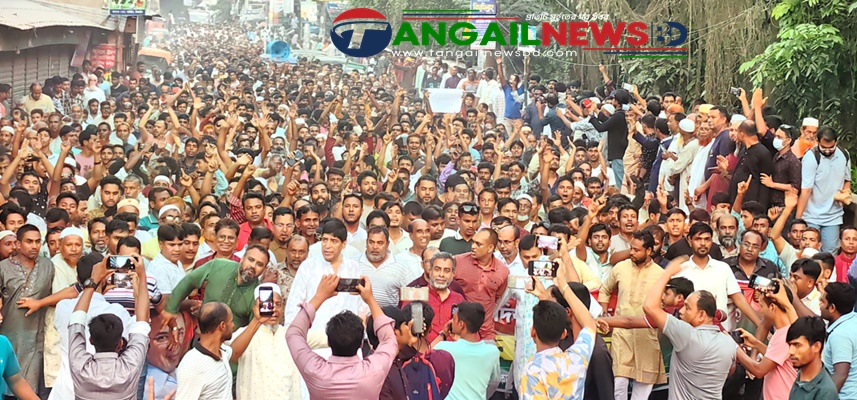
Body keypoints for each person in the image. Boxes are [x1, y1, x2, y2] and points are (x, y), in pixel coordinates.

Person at [286, 274, 397, 398]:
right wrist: (370, 300)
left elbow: (293, 333)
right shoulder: (373, 370)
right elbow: (389, 339)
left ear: (328, 342)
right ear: (361, 343)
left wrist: (319, 297)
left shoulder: (315, 370)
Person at [642, 256, 737, 399]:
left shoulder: (686, 334)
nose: (681, 311)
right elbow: (730, 369)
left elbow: (649, 307)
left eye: (687, 308)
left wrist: (667, 273)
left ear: (701, 315)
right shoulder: (728, 342)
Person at [68, 249, 149, 399]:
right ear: (120, 343)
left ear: (91, 340)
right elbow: (142, 319)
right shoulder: (129, 367)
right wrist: (142, 277)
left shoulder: (80, 367)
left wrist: (93, 281)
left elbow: (76, 321)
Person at [598, 230, 666, 399]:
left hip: (647, 337)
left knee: (642, 392)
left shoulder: (660, 275)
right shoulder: (620, 268)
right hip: (622, 336)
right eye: (631, 248)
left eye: (637, 250)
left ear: (649, 251)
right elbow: (605, 290)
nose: (632, 253)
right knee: (618, 385)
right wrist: (605, 315)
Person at [227, 283, 322, 399]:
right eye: (268, 304)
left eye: (278, 304)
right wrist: (257, 320)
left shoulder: (290, 335)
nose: (273, 309)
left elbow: (326, 338)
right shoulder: (245, 333)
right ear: (255, 308)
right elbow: (231, 354)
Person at [521, 266, 598, 400]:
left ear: (532, 331)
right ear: (563, 334)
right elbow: (589, 324)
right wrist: (562, 285)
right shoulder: (576, 359)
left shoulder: (532, 370)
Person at [162, 244, 269, 330]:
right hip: (202, 331)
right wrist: (170, 309)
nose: (253, 266)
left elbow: (255, 328)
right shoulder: (217, 265)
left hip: (232, 342)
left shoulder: (259, 296)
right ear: (242, 259)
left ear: (264, 270)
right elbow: (188, 282)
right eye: (250, 259)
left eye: (259, 264)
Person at [0, 224, 54, 394]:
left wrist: (40, 302)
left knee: (32, 387)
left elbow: (58, 294)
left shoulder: (47, 265)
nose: (34, 246)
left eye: (38, 242)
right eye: (29, 241)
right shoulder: (3, 267)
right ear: (18, 244)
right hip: (10, 334)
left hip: (37, 336)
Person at [734, 279, 798, 400]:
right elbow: (776, 358)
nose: (760, 310)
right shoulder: (783, 332)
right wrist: (756, 344)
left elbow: (759, 370)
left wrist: (735, 348)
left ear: (772, 307)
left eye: (762, 306)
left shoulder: (784, 335)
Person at [797, 126, 851, 253]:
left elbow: (847, 180)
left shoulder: (844, 155)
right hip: (811, 214)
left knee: (830, 253)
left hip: (834, 215)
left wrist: (845, 195)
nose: (827, 151)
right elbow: (806, 190)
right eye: (824, 148)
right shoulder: (811, 157)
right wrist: (798, 219)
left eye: (831, 148)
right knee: (809, 252)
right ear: (817, 141)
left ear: (836, 142)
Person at [433, 302, 501, 400]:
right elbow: (494, 381)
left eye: (454, 319)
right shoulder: (492, 352)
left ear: (461, 324)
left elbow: (424, 356)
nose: (451, 321)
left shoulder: (444, 348)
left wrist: (443, 334)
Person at [453, 228, 509, 341]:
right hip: (459, 331)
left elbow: (497, 297)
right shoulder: (457, 262)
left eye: (478, 244)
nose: (473, 246)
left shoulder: (502, 271)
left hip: (486, 332)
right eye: (473, 242)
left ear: (490, 248)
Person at [174, 302, 234, 400]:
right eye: (231, 321)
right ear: (222, 325)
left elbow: (236, 349)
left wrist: (257, 321)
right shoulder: (191, 366)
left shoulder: (223, 351)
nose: (233, 325)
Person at [787, 316, 840, 399]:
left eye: (797, 345)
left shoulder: (826, 391)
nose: (791, 351)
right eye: (789, 345)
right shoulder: (801, 376)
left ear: (816, 346)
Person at [820, 282, 857, 397]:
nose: (819, 304)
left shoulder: (840, 335)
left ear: (832, 308)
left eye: (822, 301)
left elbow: (840, 375)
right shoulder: (853, 319)